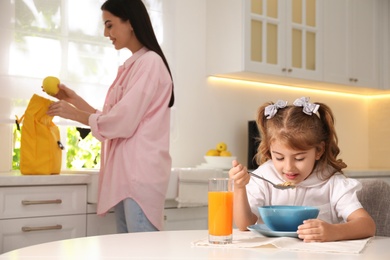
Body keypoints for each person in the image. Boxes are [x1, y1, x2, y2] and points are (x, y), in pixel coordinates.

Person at [46, 0, 174, 233]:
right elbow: (113, 118)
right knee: (128, 251)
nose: (106, 33)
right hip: (128, 178)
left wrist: (77, 115)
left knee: (142, 253)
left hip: (139, 178)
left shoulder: (150, 63)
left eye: (110, 25)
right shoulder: (136, 65)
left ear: (131, 23)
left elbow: (121, 123)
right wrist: (74, 100)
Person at [229, 97, 376, 242]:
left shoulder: (331, 181)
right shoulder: (264, 176)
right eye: (279, 158)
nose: (288, 167)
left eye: (299, 158)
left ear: (318, 150)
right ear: (269, 151)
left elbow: (367, 225)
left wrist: (334, 231)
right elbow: (244, 225)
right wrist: (240, 187)